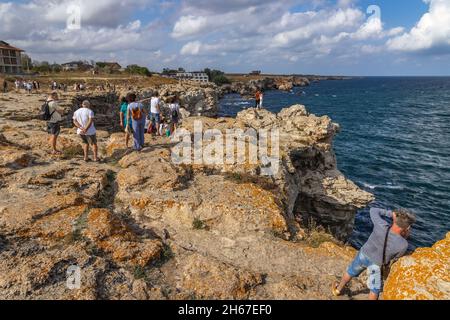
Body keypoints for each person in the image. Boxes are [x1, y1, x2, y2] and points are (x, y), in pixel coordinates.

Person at [333, 207, 416, 300]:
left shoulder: (381, 225)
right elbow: (396, 257)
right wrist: (405, 235)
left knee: (350, 272)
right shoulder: (403, 244)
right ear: (407, 227)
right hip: (376, 264)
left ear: (395, 219)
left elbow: (373, 210)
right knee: (374, 289)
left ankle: (338, 290)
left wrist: (390, 213)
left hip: (363, 254)